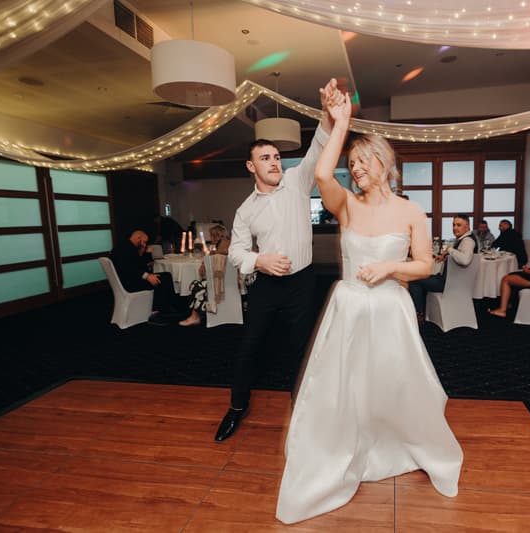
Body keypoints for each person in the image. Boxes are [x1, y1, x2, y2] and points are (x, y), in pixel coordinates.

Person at [276, 87, 462, 524]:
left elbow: (423, 265)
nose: (355, 170)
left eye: (363, 162)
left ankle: (395, 440)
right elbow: (322, 175)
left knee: (392, 382)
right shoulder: (346, 207)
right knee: (346, 385)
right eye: (353, 164)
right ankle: (347, 447)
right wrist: (339, 122)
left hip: (390, 310)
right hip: (350, 309)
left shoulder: (412, 212)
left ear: (385, 164)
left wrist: (391, 268)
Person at [213, 78, 341, 442]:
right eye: (265, 158)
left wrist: (327, 115)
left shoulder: (299, 183)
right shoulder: (245, 210)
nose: (274, 162)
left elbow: (318, 145)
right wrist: (260, 261)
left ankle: (308, 408)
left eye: (276, 157)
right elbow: (236, 251)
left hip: (303, 284)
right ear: (251, 167)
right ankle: (237, 407)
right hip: (267, 286)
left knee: (303, 348)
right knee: (250, 346)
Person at [408, 213, 477, 322]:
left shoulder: (468, 241)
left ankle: (418, 314)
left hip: (449, 284)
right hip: (454, 282)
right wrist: (446, 256)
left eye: (459, 225)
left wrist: (449, 250)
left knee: (414, 280)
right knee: (424, 277)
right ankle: (422, 311)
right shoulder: (464, 239)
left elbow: (465, 260)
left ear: (467, 227)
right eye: (453, 225)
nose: (455, 228)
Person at [109, 230, 184, 320]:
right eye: (144, 242)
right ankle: (161, 311)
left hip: (128, 279)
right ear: (138, 238)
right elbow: (128, 268)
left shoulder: (127, 246)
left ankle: (168, 306)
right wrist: (147, 276)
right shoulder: (124, 249)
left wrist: (144, 253)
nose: (145, 245)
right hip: (129, 283)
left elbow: (139, 265)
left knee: (166, 275)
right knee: (163, 279)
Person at [179, 223, 231, 327]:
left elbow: (202, 273)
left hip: (219, 286)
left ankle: (195, 315)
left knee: (195, 285)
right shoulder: (232, 249)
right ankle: (199, 313)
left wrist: (204, 262)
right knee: (202, 285)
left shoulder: (213, 254)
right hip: (232, 286)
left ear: (214, 236)